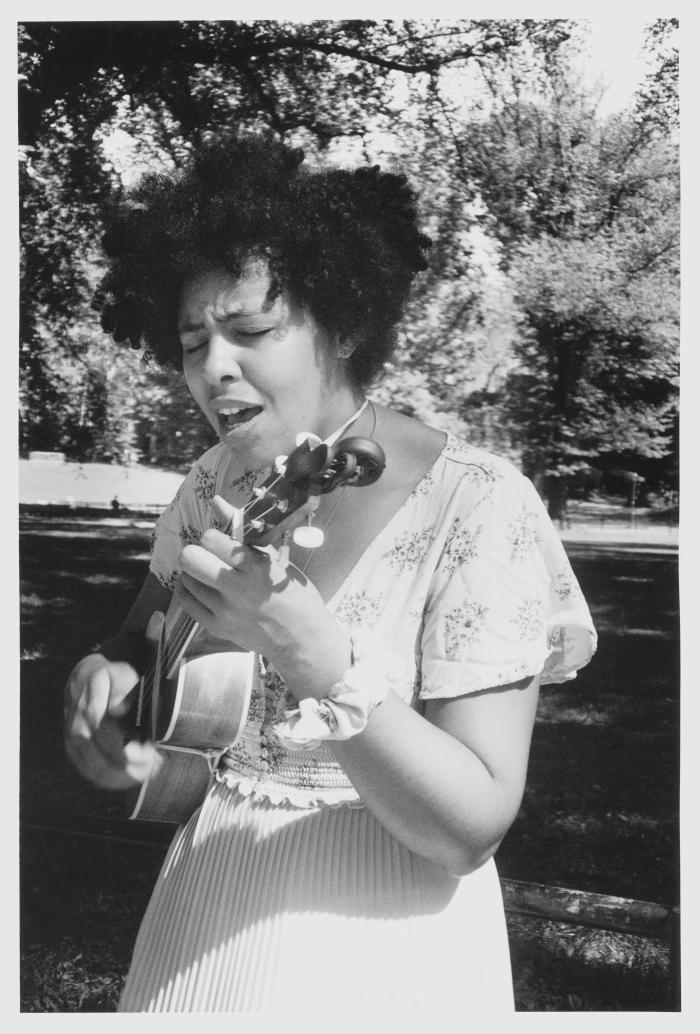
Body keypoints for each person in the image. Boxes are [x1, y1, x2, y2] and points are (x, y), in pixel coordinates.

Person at [64, 134, 596, 1013]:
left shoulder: (479, 504)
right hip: (206, 903)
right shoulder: (213, 482)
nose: (212, 367)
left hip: (390, 940)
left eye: (251, 331)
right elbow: (144, 637)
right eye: (193, 340)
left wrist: (322, 663)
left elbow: (471, 829)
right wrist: (109, 672)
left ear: (345, 323)